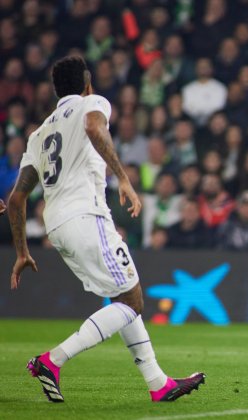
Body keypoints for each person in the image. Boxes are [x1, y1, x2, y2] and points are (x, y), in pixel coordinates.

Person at [6, 56, 204, 403]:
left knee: (123, 296)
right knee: (133, 300)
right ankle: (52, 360)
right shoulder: (93, 103)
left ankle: (158, 383)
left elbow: (18, 197)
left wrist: (22, 251)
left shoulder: (38, 134)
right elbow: (94, 128)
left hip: (58, 226)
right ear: (87, 84)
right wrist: (124, 179)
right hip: (86, 215)